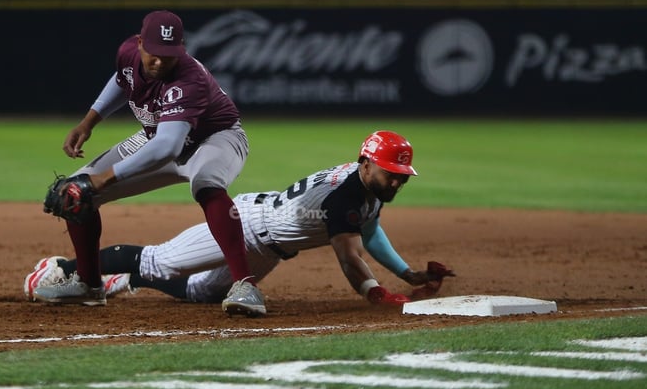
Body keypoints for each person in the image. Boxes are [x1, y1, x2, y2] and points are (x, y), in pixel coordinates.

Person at [27, 130, 455, 311]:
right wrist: (377, 294)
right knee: (161, 261)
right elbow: (349, 253)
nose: (396, 183)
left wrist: (407, 272)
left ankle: (126, 280)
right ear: (366, 163)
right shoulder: (345, 195)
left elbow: (371, 229)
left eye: (401, 177)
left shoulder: (366, 186)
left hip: (271, 247)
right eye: (391, 174)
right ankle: (62, 269)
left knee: (203, 294)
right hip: (249, 224)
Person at [33, 10, 264, 316]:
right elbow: (122, 80)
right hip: (159, 136)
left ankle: (246, 285)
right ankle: (89, 285)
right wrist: (89, 122)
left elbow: (168, 148)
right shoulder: (128, 53)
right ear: (140, 43)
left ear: (181, 48)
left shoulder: (189, 78)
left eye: (168, 55)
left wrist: (103, 179)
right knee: (75, 191)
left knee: (206, 184)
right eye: (153, 54)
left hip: (215, 138)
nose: (159, 62)